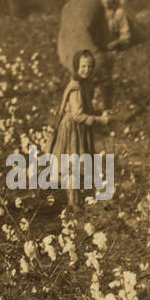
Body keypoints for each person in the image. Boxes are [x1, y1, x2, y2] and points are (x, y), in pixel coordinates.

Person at [47, 49, 111, 212]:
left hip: (79, 128)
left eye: (90, 67)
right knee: (72, 164)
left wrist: (98, 113)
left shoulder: (85, 84)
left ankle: (75, 198)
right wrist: (99, 120)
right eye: (83, 66)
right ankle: (72, 203)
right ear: (76, 66)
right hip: (72, 128)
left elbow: (85, 109)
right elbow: (77, 114)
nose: (86, 70)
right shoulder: (76, 87)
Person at [56, 0, 133, 112]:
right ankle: (86, 108)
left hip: (110, 52)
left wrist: (116, 44)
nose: (106, 1)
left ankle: (106, 109)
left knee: (106, 83)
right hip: (95, 51)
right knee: (88, 81)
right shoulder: (95, 13)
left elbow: (126, 36)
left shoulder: (119, 14)